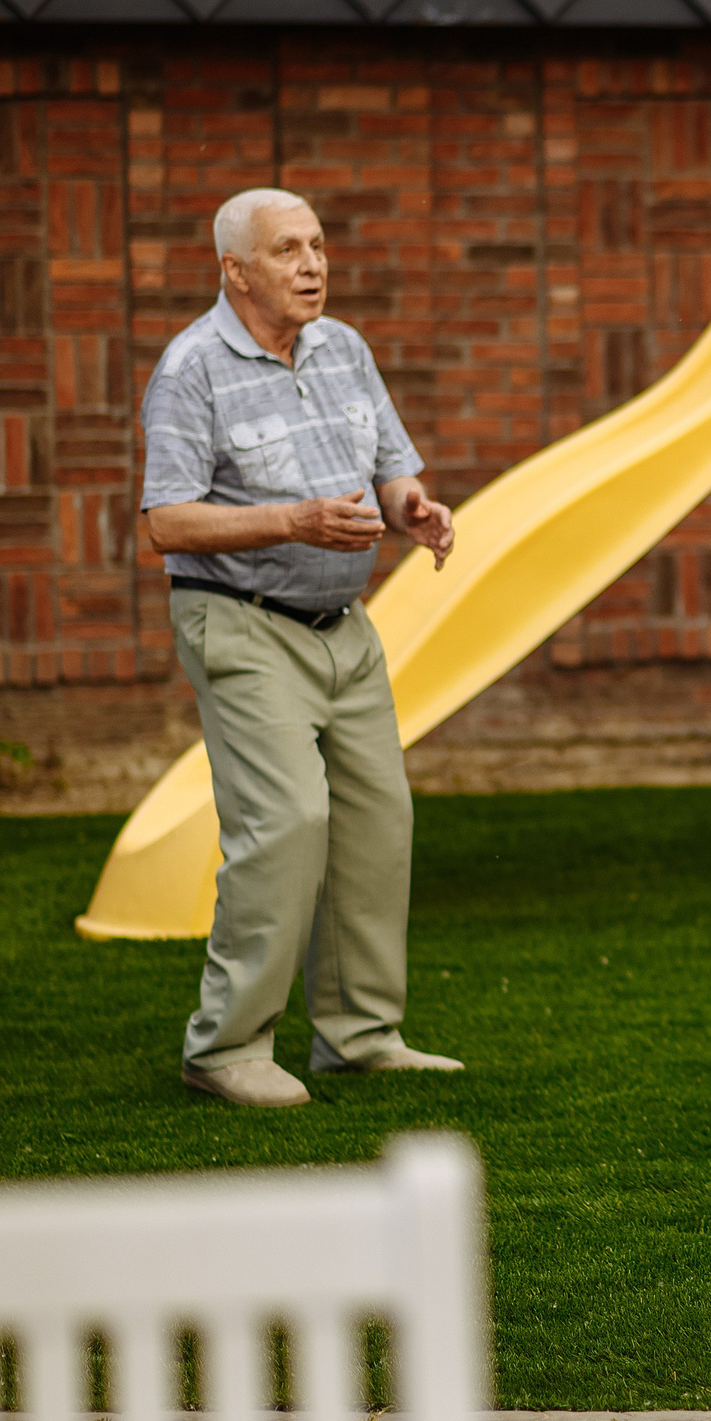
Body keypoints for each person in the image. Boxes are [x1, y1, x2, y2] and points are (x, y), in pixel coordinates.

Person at [141, 187, 460, 1109]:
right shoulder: (191, 368)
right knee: (285, 823)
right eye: (288, 250)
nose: (314, 264)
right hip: (239, 621)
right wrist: (292, 520)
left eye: (318, 245)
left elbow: (392, 467)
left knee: (376, 820)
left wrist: (414, 510)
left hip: (346, 629)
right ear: (235, 272)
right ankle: (226, 1047)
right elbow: (165, 520)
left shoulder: (344, 348)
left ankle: (360, 1035)